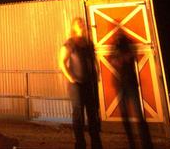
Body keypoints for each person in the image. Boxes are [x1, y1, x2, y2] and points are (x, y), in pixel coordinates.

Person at [59, 16, 102, 149]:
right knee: (78, 114)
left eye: (82, 23)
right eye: (79, 23)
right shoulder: (70, 43)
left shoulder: (88, 43)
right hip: (76, 85)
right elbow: (61, 62)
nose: (82, 25)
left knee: (92, 113)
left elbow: (94, 60)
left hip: (89, 83)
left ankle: (96, 143)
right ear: (74, 27)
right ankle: (80, 144)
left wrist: (97, 72)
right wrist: (70, 78)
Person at [109, 30, 153, 149]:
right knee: (127, 116)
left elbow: (130, 58)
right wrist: (118, 59)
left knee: (138, 115)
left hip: (129, 83)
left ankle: (145, 143)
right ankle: (134, 143)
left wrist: (121, 58)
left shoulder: (128, 45)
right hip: (120, 84)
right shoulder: (115, 46)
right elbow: (113, 61)